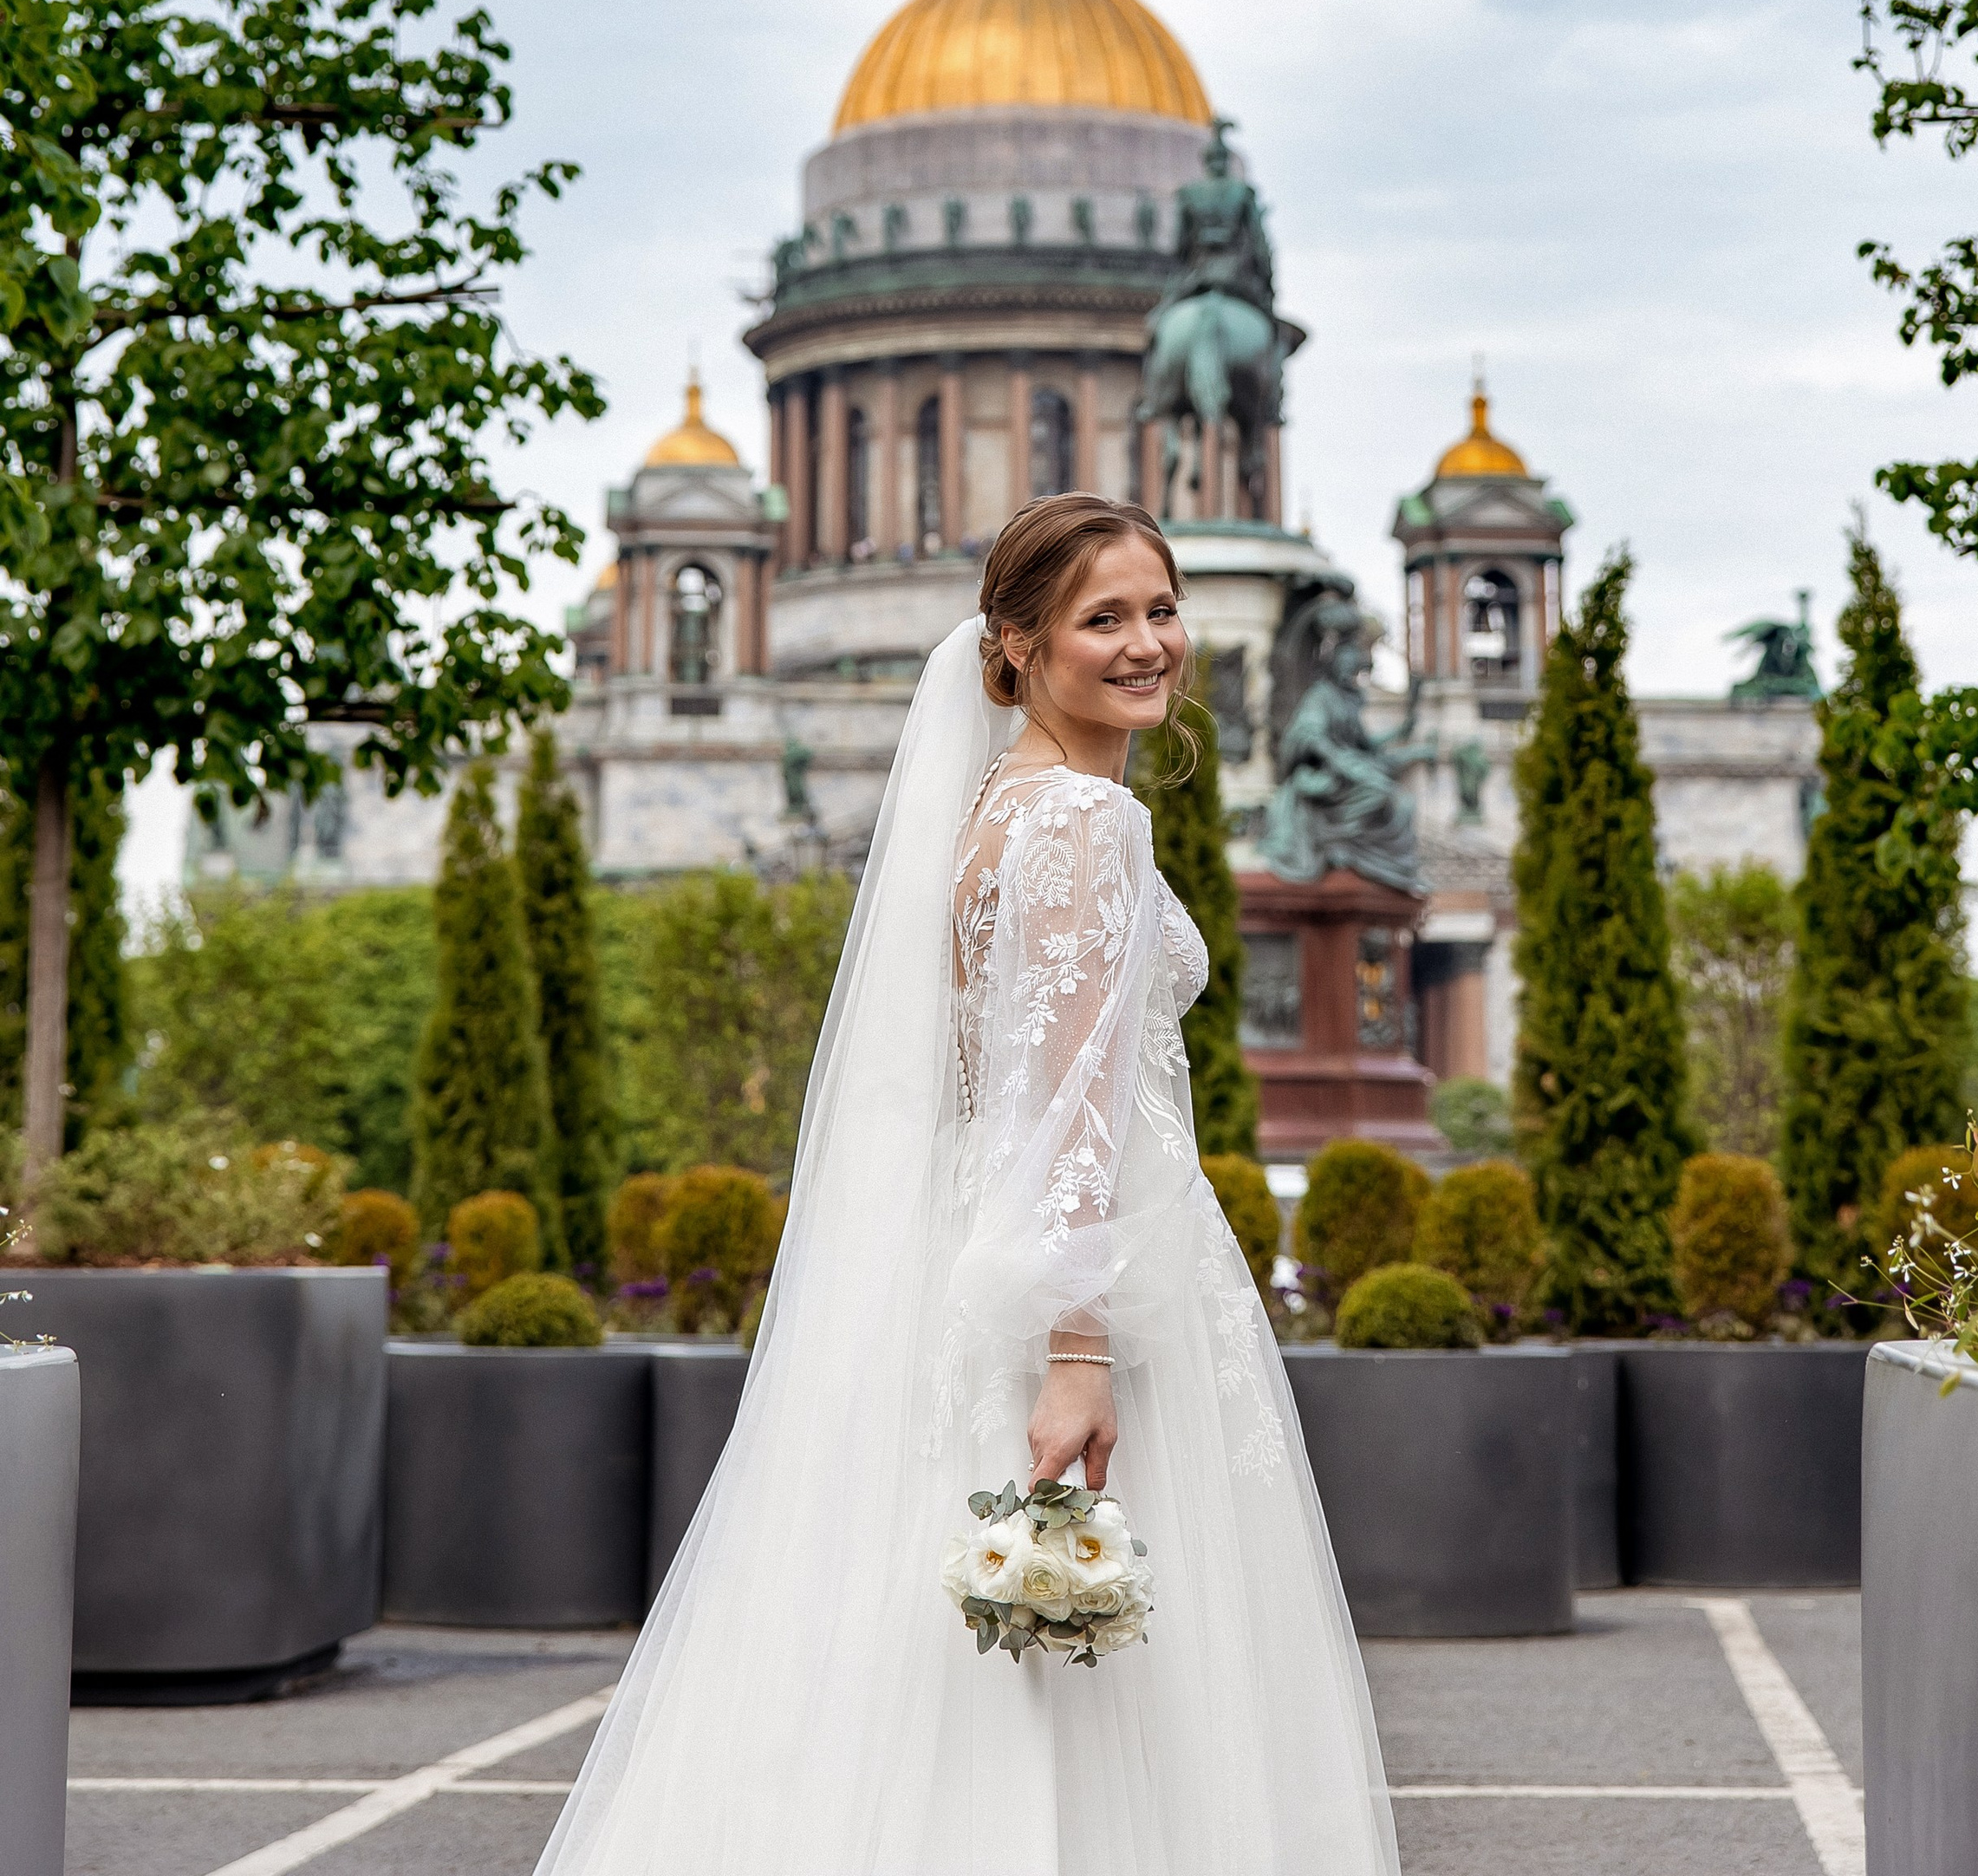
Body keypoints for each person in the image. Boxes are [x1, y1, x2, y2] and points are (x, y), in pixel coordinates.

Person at [536, 494, 1398, 1876]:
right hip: (1072, 1283)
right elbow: (1068, 1112)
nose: (1146, 645)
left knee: (939, 1661)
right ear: (1014, 647)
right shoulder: (1080, 821)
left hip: (968, 1252)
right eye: (1100, 619)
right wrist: (1075, 1347)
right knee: (1088, 1668)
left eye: (1159, 611)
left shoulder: (998, 803)